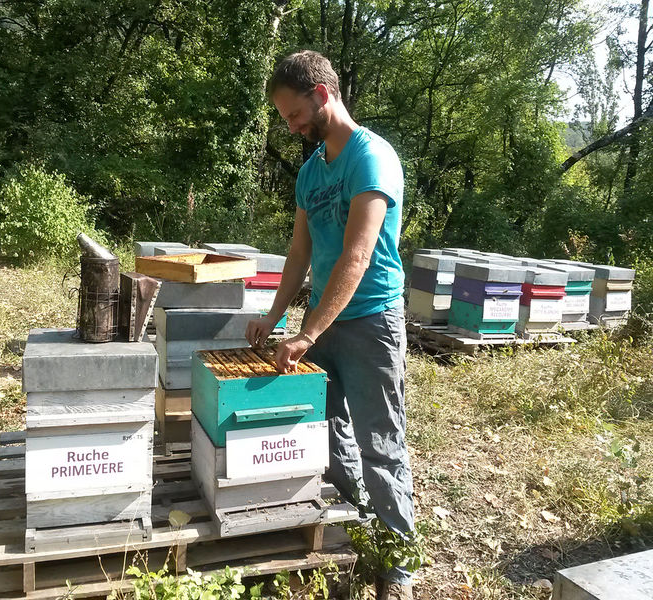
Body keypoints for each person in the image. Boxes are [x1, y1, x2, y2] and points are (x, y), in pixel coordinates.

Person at [245, 50, 415, 600]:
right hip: (322, 323)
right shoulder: (310, 171)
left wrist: (307, 333)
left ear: (322, 95)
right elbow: (299, 253)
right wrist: (273, 317)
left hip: (369, 324)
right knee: (331, 439)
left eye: (293, 114)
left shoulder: (372, 156)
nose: (289, 126)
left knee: (379, 444)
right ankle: (357, 528)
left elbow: (357, 255)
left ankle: (398, 567)